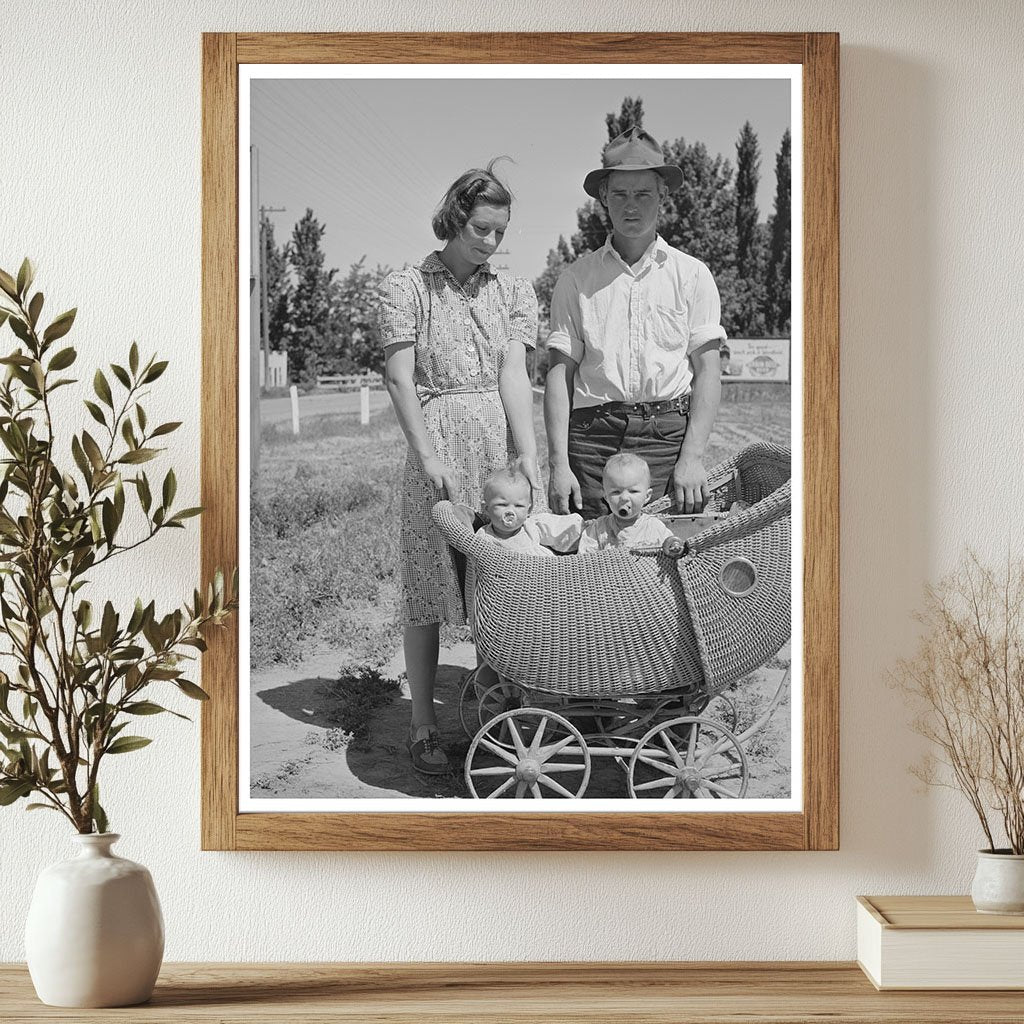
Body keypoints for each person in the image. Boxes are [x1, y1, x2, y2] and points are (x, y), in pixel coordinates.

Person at [377, 160, 540, 775]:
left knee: (508, 580)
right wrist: (428, 457)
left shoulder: (511, 292)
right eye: (481, 228)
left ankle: (500, 709)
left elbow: (513, 375)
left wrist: (526, 452)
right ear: (454, 218)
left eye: (500, 231)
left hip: (496, 452)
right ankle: (424, 723)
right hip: (437, 443)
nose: (491, 241)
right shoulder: (409, 286)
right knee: (428, 584)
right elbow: (398, 377)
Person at [544, 126, 727, 520]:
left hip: (667, 439)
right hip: (592, 442)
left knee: (662, 561)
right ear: (603, 198)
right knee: (590, 561)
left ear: (663, 196)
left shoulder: (692, 275)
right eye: (621, 194)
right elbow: (560, 376)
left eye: (643, 193)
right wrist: (559, 464)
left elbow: (708, 371)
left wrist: (692, 457)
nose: (632, 205)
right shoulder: (576, 280)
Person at [577, 453, 675, 553]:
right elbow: (584, 561)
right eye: (616, 492)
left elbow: (671, 553)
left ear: (647, 496)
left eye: (633, 491)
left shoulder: (655, 528)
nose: (624, 498)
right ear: (606, 497)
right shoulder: (597, 529)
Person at [477, 465, 582, 557]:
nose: (510, 511)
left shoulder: (532, 527)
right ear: (486, 508)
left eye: (518, 506)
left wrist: (583, 527)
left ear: (529, 510)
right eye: (502, 505)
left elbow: (560, 528)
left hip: (538, 573)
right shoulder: (483, 537)